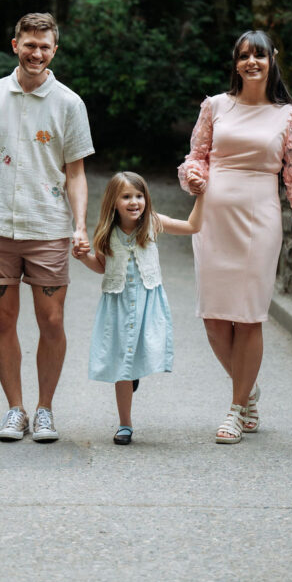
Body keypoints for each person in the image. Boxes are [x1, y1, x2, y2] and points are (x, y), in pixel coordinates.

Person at [179, 29, 292, 444]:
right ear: (236, 62)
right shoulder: (215, 107)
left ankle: (235, 406)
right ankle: (248, 388)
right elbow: (197, 156)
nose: (251, 62)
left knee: (247, 317)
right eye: (244, 56)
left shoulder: (286, 117)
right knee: (213, 318)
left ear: (272, 60)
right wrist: (193, 176)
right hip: (212, 219)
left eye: (259, 56)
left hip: (258, 222)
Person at [0, 11, 94, 443]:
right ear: (15, 44)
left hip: (48, 225)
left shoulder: (69, 104)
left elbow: (76, 172)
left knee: (51, 320)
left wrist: (79, 225)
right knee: (3, 320)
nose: (36, 52)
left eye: (45, 45)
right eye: (29, 43)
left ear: (55, 50)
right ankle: (15, 409)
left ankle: (45, 410)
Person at [74, 171, 203, 445]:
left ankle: (132, 374)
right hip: (118, 305)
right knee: (122, 364)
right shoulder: (107, 233)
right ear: (114, 202)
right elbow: (101, 267)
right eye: (126, 196)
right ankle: (125, 424)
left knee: (139, 354)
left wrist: (201, 195)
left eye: (139, 195)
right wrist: (83, 255)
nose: (134, 202)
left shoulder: (153, 224)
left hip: (147, 303)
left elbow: (193, 226)